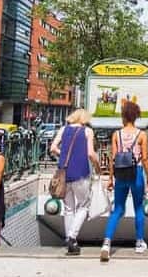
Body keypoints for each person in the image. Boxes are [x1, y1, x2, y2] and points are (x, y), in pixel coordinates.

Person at [100, 101, 148, 262]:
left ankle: (107, 243)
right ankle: (139, 242)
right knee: (138, 208)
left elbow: (113, 158)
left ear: (123, 116)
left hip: (120, 173)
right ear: (136, 116)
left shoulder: (116, 134)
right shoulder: (142, 135)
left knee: (117, 209)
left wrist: (110, 178)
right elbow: (145, 158)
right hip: (136, 173)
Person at [50, 109, 100, 256]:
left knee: (68, 209)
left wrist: (65, 155)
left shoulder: (63, 129)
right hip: (80, 172)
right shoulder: (87, 131)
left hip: (64, 173)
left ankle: (70, 241)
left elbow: (53, 148)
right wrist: (98, 167)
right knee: (84, 205)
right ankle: (72, 236)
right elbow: (91, 153)